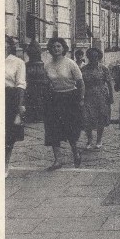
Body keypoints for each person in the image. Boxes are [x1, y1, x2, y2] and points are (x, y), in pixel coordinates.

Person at [43, 37, 84, 170]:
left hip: (70, 98)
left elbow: (80, 83)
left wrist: (81, 99)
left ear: (63, 48)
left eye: (58, 46)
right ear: (50, 49)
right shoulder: (47, 65)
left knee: (70, 128)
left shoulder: (70, 63)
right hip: (54, 99)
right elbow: (48, 82)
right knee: (53, 129)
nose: (56, 49)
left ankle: (76, 152)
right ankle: (57, 160)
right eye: (54, 46)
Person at [82, 47, 113, 151]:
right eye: (91, 56)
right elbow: (80, 84)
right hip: (88, 95)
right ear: (88, 57)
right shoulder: (84, 69)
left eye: (95, 56)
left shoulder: (104, 69)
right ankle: (89, 140)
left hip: (101, 96)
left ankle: (99, 140)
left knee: (101, 118)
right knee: (87, 118)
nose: (93, 58)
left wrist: (111, 97)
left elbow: (109, 83)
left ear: (98, 57)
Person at [5, 36, 26, 176]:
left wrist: (20, 105)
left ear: (9, 46)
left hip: (9, 98)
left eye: (4, 44)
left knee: (9, 134)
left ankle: (5, 163)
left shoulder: (17, 62)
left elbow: (20, 84)